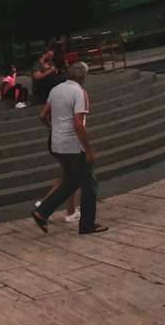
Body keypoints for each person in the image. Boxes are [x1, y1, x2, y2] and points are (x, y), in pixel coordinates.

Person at [31, 61, 108, 235]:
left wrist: (51, 127)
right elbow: (78, 125)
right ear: (82, 77)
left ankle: (41, 212)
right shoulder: (79, 92)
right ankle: (87, 224)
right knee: (89, 184)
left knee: (71, 181)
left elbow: (42, 114)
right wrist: (88, 150)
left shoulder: (56, 90)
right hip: (73, 144)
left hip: (57, 143)